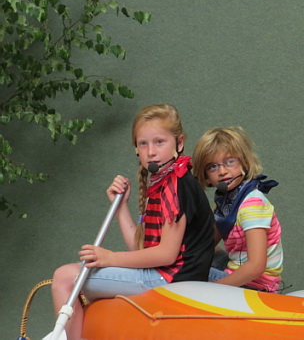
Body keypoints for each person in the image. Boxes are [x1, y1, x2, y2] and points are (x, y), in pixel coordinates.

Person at [51, 104, 215, 340]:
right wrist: (121, 207)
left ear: (179, 143)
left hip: (172, 278)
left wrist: (110, 258)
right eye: (143, 144)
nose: (151, 152)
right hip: (163, 274)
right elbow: (140, 250)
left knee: (64, 278)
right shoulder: (162, 181)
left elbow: (166, 255)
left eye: (159, 142)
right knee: (76, 279)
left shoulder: (177, 182)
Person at [192, 126, 283, 293]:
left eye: (230, 161)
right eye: (213, 167)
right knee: (190, 258)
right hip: (235, 268)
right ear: (206, 176)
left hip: (256, 286)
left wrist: (212, 290)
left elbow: (256, 266)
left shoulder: (251, 204)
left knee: (180, 273)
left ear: (245, 162)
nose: (222, 172)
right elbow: (205, 244)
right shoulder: (226, 203)